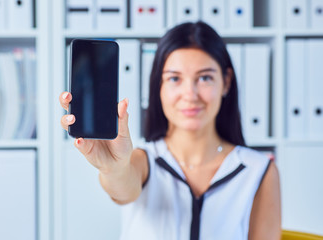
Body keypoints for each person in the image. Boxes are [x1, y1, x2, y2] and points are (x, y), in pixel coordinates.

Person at [59, 21, 281, 240]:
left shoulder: (259, 171)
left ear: (226, 82)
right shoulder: (143, 161)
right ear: (159, 87)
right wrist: (113, 168)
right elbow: (123, 187)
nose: (190, 94)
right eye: (174, 78)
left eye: (205, 78)